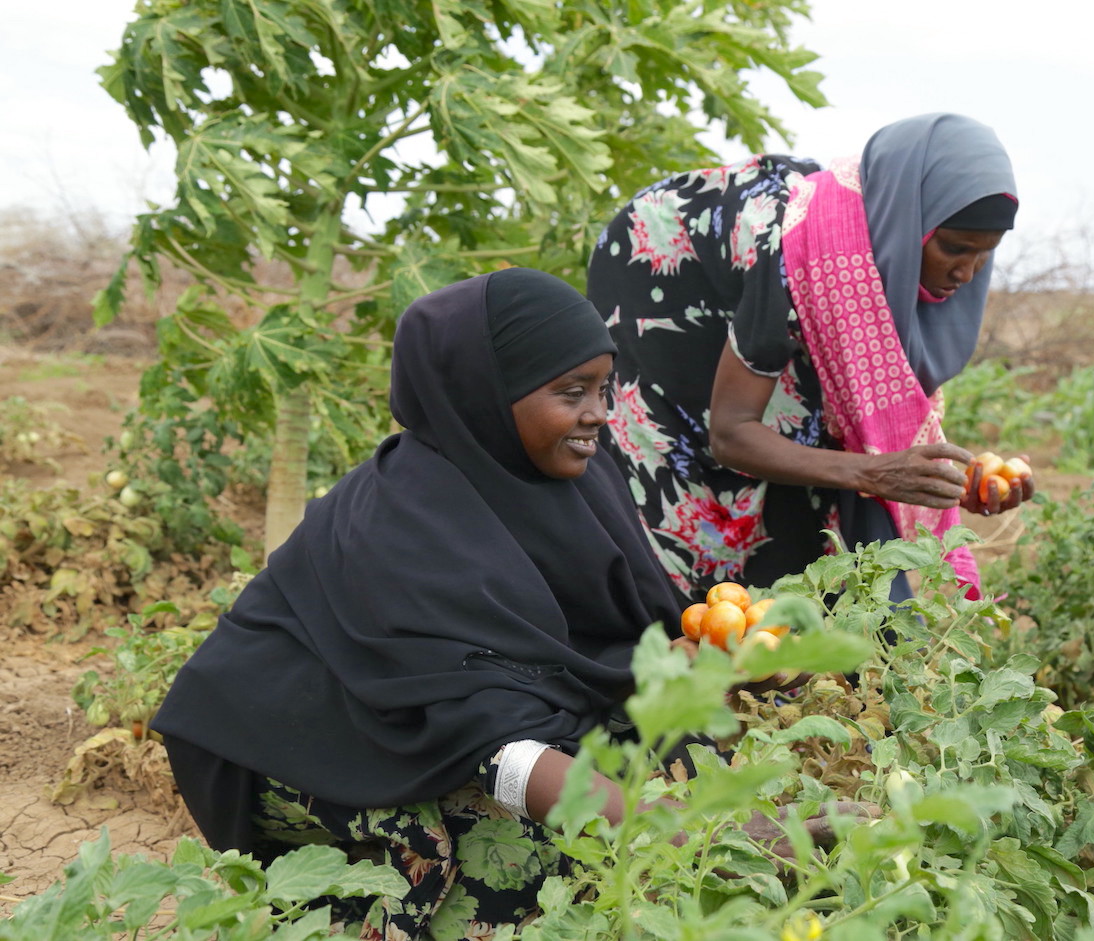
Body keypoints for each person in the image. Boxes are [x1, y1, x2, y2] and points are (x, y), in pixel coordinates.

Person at [151, 269, 841, 938]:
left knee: (672, 746)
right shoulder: (405, 522)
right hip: (305, 737)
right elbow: (492, 743)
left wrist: (740, 659)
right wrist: (683, 836)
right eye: (571, 391)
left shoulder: (568, 475)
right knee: (528, 853)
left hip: (452, 712)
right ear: (481, 393)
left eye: (604, 387)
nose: (599, 414)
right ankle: (361, 905)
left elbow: (618, 641)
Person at [586, 112, 1035, 604]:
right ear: (910, 224)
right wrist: (873, 471)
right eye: (955, 248)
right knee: (707, 517)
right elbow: (732, 433)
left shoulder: (887, 253)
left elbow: (877, 423)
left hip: (763, 316)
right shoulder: (795, 252)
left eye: (985, 254)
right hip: (662, 301)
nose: (967, 273)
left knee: (824, 478)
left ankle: (822, 650)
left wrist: (946, 483)